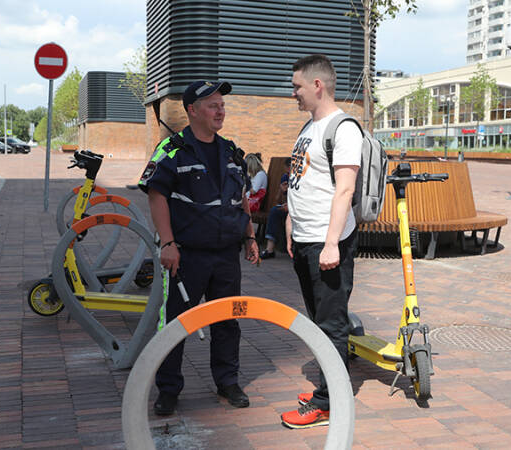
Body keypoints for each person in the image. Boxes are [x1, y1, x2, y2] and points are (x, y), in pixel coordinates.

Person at [138, 80, 260, 416]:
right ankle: (168, 389)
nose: (220, 110)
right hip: (186, 256)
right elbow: (156, 195)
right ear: (192, 110)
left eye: (222, 105)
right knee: (175, 324)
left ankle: (227, 382)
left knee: (228, 321)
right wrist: (167, 243)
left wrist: (249, 238)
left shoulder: (232, 151)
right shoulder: (172, 150)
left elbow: (242, 200)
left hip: (225, 256)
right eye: (212, 105)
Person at [279, 54, 361, 429]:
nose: (292, 92)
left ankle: (330, 402)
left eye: (296, 86)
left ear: (317, 86)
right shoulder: (308, 128)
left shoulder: (343, 128)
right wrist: (291, 223)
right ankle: (328, 388)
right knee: (319, 319)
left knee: (331, 323)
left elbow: (344, 190)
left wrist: (331, 244)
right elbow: (301, 181)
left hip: (329, 244)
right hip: (306, 238)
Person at [260, 158, 292, 259]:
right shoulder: (285, 178)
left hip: (300, 207)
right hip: (288, 207)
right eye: (287, 172)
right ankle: (270, 249)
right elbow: (278, 200)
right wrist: (282, 191)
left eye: (289, 172)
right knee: (275, 210)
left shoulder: (301, 178)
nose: (288, 175)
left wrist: (291, 206)